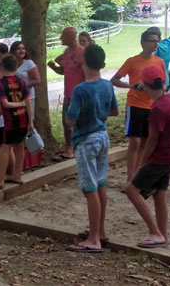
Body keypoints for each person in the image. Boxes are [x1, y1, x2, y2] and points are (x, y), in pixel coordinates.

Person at [63, 44, 118, 253]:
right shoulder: (107, 85)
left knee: (90, 188)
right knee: (101, 184)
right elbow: (114, 111)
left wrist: (72, 115)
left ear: (83, 62)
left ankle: (93, 239)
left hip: (86, 140)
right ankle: (100, 231)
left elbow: (70, 120)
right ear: (102, 64)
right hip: (103, 136)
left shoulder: (80, 89)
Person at [124, 65, 170, 248]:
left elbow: (152, 140)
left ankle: (155, 232)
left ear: (147, 86)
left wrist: (141, 163)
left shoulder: (157, 109)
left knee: (131, 190)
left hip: (160, 157)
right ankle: (162, 236)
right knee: (159, 195)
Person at [110, 30, 166, 185]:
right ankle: (130, 178)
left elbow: (163, 84)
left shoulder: (159, 62)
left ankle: (139, 177)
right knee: (134, 141)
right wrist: (131, 86)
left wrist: (160, 95)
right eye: (152, 41)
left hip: (151, 106)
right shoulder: (132, 61)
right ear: (143, 42)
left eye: (157, 41)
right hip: (134, 104)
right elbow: (114, 80)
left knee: (145, 142)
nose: (156, 44)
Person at [0, 54, 33, 189]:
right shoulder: (21, 81)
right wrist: (31, 120)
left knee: (5, 147)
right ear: (16, 67)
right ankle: (17, 175)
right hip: (23, 119)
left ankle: (0, 179)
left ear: (2, 67)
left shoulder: (1, 84)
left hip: (10, 121)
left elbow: (5, 104)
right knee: (20, 146)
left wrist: (18, 104)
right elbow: (28, 102)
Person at [47, 27, 85, 160]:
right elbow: (63, 71)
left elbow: (88, 75)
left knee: (80, 123)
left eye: (63, 36)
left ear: (70, 37)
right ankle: (69, 149)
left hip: (80, 94)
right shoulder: (67, 52)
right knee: (66, 123)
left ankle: (80, 148)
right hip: (68, 94)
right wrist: (53, 66)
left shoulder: (82, 52)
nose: (60, 38)